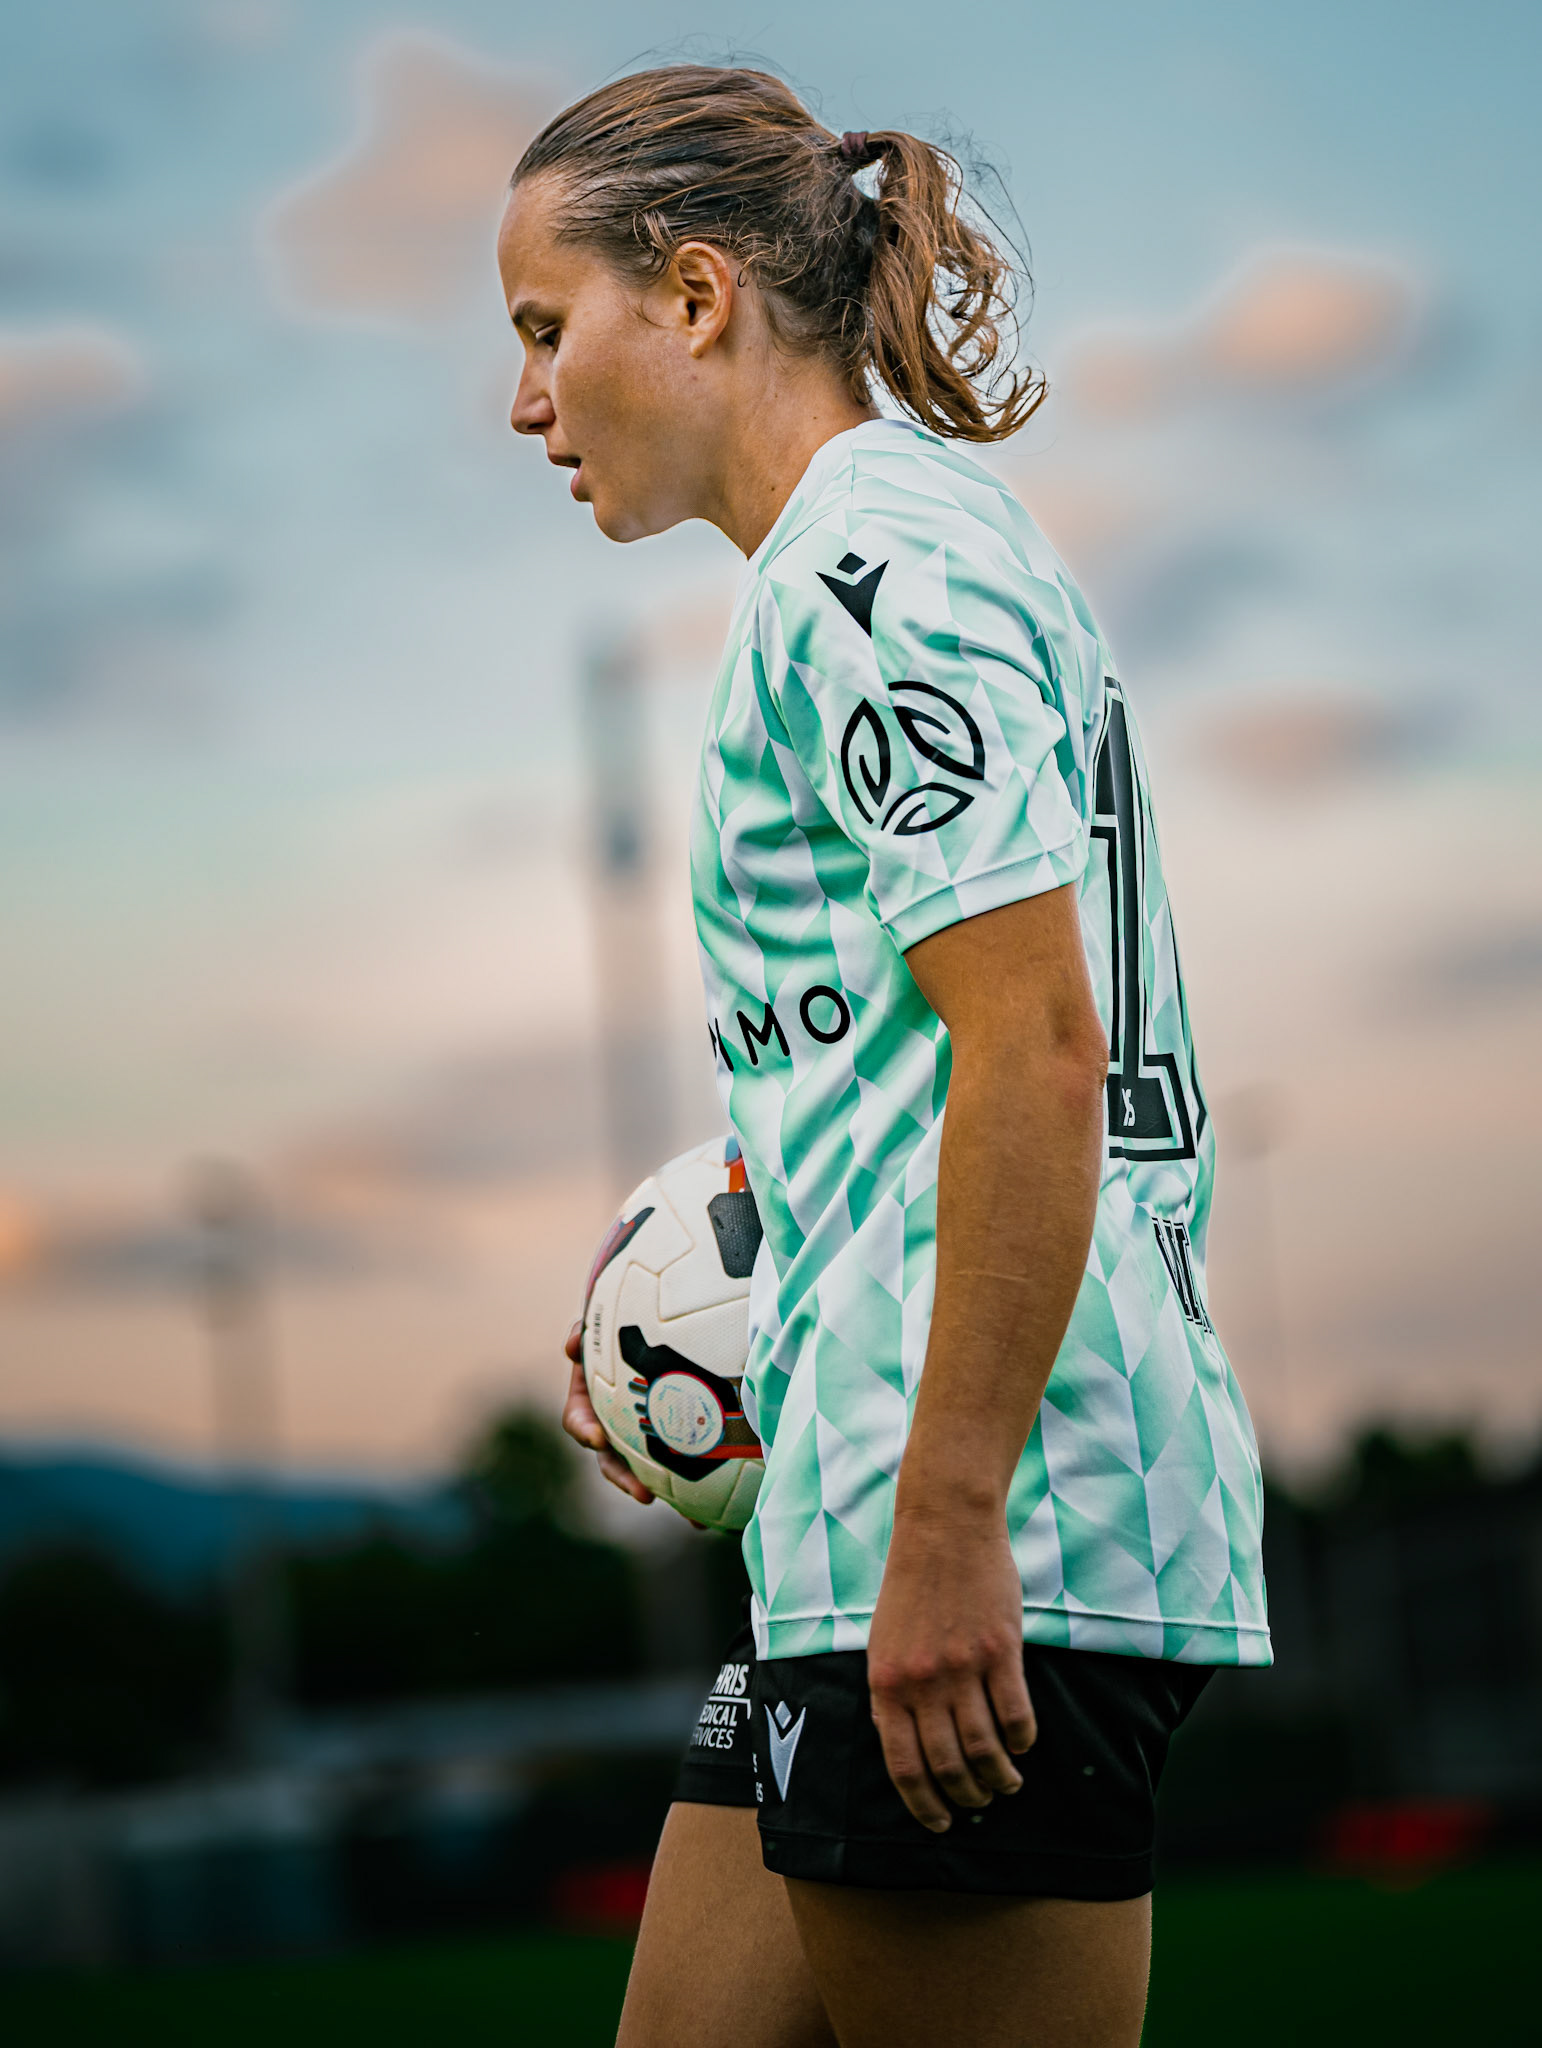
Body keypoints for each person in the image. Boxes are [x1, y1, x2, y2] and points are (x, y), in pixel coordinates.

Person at [499, 64, 1270, 2048]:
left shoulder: (875, 580)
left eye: (538, 330)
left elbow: (1037, 1042)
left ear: (689, 296)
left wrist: (947, 1519)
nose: (524, 404)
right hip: (858, 1507)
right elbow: (917, 1055)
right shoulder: (855, 567)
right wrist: (692, 1344)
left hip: (982, 1526)